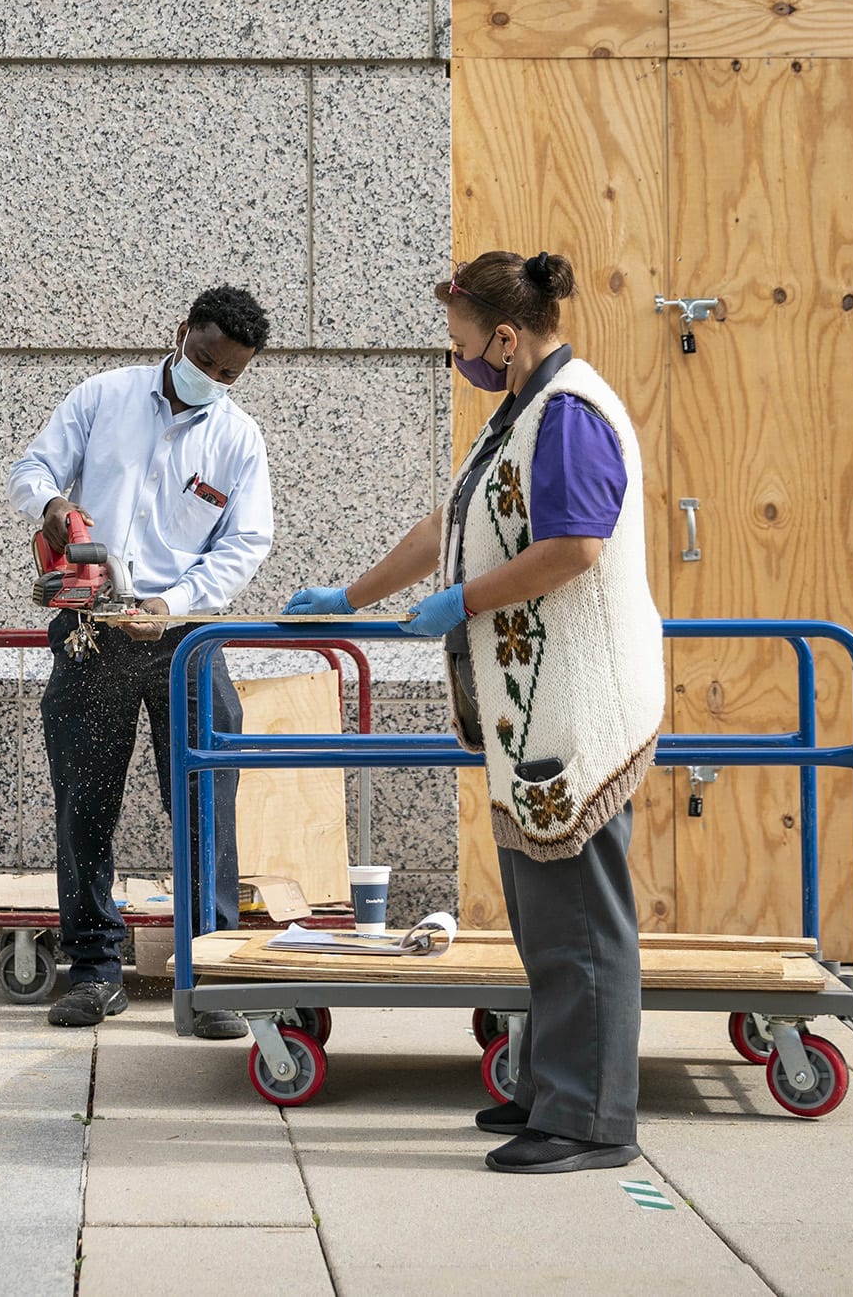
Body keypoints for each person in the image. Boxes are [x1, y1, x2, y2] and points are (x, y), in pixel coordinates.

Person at [286, 250, 664, 1174]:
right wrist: (353, 593)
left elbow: (575, 545)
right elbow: (444, 529)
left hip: (577, 706)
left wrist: (471, 600)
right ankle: (549, 1091)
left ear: (506, 334)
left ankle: (588, 1122)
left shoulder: (569, 416)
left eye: (462, 342)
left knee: (580, 921)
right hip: (531, 710)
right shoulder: (520, 412)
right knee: (546, 917)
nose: (457, 358)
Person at [8, 285, 276, 1036]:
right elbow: (30, 468)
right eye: (204, 360)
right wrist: (53, 507)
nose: (212, 380)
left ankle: (209, 975)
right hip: (93, 628)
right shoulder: (104, 396)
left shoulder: (238, 440)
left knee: (202, 806)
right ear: (181, 330)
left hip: (185, 638)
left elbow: (247, 542)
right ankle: (94, 968)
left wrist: (176, 601)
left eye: (229, 374)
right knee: (84, 803)